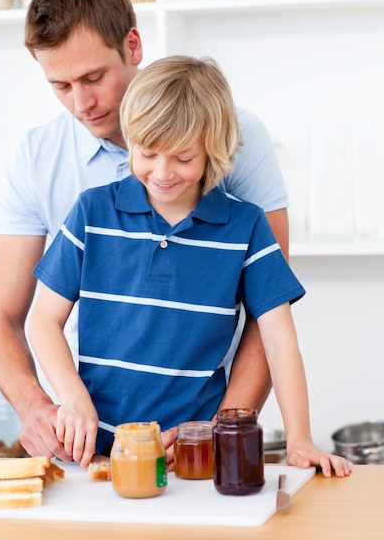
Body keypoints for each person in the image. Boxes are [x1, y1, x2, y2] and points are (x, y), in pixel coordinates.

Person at [0, 0, 289, 466]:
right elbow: (3, 317)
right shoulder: (37, 158)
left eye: (93, 78)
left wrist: (219, 430)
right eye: (60, 86)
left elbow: (269, 314)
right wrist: (41, 408)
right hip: (88, 438)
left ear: (133, 45)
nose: (81, 104)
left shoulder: (236, 135)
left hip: (194, 429)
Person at [29, 55, 351, 478]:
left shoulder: (247, 226)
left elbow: (279, 340)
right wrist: (71, 398)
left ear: (212, 151)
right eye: (148, 153)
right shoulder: (92, 212)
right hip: (94, 460)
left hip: (192, 462)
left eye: (183, 158)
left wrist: (300, 439)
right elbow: (42, 321)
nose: (162, 173)